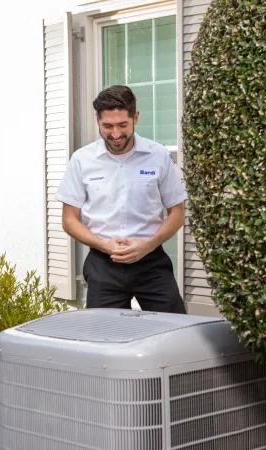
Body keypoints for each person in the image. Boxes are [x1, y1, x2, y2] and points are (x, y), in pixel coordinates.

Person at [56, 85, 187, 313]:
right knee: (105, 338)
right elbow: (69, 220)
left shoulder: (159, 156)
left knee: (174, 329)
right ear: (97, 120)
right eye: (107, 126)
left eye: (122, 125)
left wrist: (148, 245)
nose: (115, 134)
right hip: (103, 263)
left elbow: (177, 213)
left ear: (135, 117)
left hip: (151, 261)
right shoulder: (81, 160)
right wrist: (103, 245)